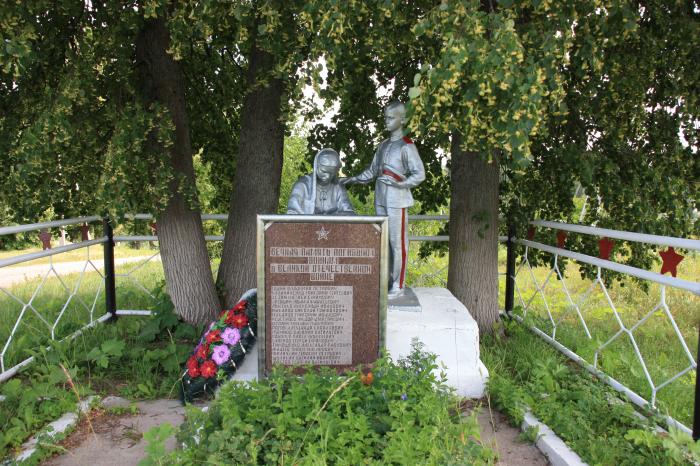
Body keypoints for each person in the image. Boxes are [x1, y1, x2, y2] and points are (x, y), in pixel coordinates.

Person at [341, 101, 425, 297]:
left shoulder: (407, 146)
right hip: (380, 199)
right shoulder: (383, 145)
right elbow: (372, 171)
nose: (386, 121)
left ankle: (398, 284)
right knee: (383, 242)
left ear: (402, 119)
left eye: (390, 117)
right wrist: (352, 179)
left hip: (397, 201)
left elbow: (419, 174)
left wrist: (400, 184)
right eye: (385, 117)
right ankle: (385, 280)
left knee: (398, 243)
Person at [287, 148, 355, 215]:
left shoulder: (338, 187)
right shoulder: (302, 185)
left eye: (331, 173)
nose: (327, 176)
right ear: (316, 167)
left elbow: (349, 213)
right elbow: (292, 214)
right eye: (323, 171)